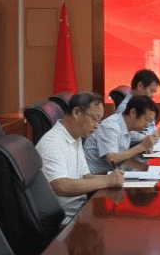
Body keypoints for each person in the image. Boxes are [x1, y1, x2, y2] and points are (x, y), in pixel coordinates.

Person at [36, 91, 124, 221]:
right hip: (66, 220)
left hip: (82, 210)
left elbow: (85, 176)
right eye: (94, 119)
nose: (97, 126)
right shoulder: (52, 142)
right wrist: (107, 181)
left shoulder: (75, 136)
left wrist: (115, 179)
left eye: (99, 121)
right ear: (77, 112)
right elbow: (61, 186)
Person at [84, 96, 158, 174]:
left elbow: (144, 139)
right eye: (146, 120)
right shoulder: (111, 126)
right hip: (95, 176)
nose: (147, 125)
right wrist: (143, 146)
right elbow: (112, 159)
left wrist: (147, 144)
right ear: (133, 112)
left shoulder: (128, 127)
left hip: (110, 174)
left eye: (150, 122)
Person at [115, 69, 160, 142]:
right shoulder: (124, 108)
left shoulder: (147, 106)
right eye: (151, 91)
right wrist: (156, 135)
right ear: (140, 86)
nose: (153, 95)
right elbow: (127, 135)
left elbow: (151, 129)